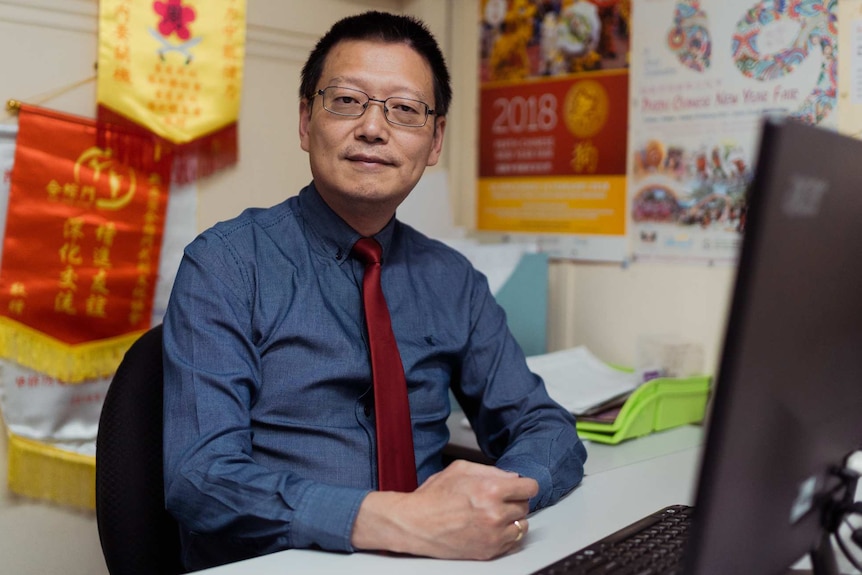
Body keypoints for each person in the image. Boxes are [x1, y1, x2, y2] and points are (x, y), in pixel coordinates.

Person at [162, 10, 587, 571]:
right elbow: (201, 477)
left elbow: (544, 426)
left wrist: (497, 499)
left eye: (405, 110)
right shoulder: (227, 265)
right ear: (304, 120)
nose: (372, 128)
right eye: (345, 101)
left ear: (435, 141)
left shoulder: (452, 280)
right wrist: (401, 521)